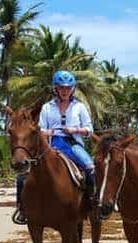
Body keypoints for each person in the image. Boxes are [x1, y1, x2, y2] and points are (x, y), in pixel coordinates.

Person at [12, 70, 95, 225]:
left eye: (67, 88)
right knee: (23, 175)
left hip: (72, 144)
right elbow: (40, 129)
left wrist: (75, 130)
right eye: (61, 88)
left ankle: (91, 203)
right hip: (51, 145)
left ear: (72, 89)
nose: (64, 91)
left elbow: (89, 130)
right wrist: (46, 132)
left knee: (90, 168)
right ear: (55, 89)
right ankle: (22, 208)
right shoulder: (47, 108)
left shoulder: (80, 107)